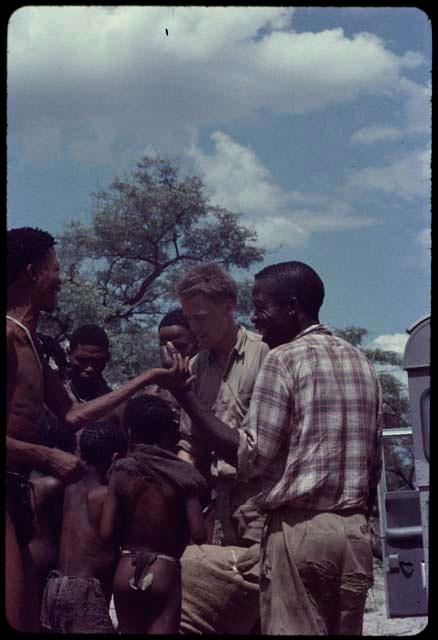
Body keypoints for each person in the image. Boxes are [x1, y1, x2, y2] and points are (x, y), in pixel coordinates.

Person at [162, 260, 383, 635]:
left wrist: (184, 396)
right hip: (353, 532)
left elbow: (252, 455)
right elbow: (373, 462)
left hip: (298, 529)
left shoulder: (281, 358)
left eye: (263, 307)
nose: (258, 318)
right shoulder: (360, 360)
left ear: (292, 307)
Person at [6, 226, 183, 631]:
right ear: (33, 273)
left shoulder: (33, 343)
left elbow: (75, 414)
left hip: (17, 490)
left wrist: (150, 377)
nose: (61, 278)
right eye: (55, 268)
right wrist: (46, 455)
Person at [100, 394, 208, 634]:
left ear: (129, 432)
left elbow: (106, 532)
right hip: (163, 570)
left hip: (126, 567)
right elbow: (200, 534)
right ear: (170, 433)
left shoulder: (120, 471)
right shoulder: (184, 475)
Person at [40, 422, 129, 633]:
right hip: (85, 590)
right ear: (115, 459)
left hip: (54, 586)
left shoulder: (67, 489)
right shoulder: (106, 496)